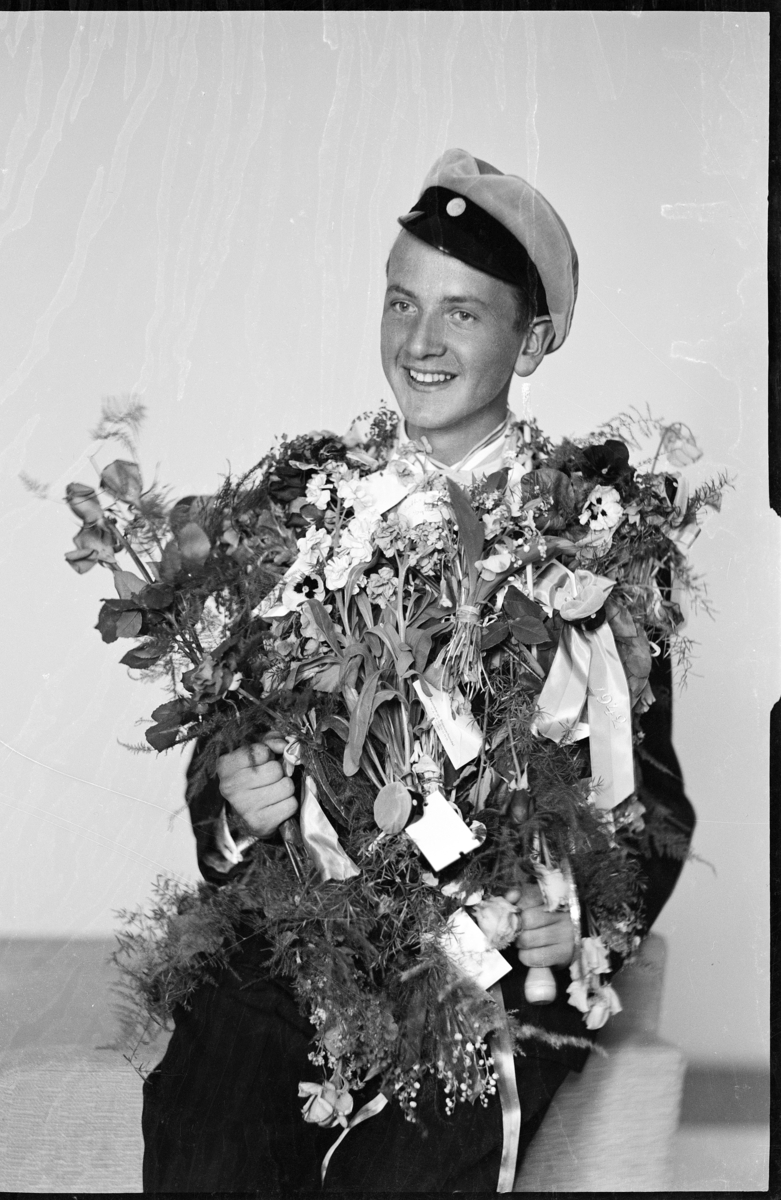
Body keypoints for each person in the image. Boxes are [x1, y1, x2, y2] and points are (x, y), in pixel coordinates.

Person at [141, 148, 695, 1192]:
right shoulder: (298, 506)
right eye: (401, 302)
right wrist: (236, 802)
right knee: (205, 1141)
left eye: (460, 313)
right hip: (299, 942)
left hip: (483, 958)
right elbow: (228, 738)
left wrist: (573, 916)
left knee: (396, 1177)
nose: (418, 342)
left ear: (532, 340)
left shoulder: (595, 541)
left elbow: (650, 803)